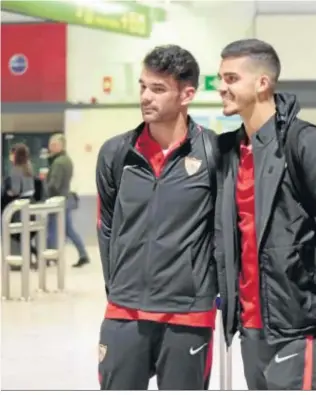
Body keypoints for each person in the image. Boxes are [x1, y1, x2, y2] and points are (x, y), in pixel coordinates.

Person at [214, 39, 316, 390]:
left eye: (231, 79)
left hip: (295, 323)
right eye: (220, 78)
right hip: (249, 324)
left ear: (262, 83)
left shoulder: (305, 143)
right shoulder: (231, 151)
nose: (221, 88)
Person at [95, 45, 218, 390]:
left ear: (187, 94)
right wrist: (119, 284)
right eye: (143, 86)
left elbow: (221, 233)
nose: (146, 97)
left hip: (189, 315)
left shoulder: (213, 155)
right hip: (124, 311)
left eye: (158, 89)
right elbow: (106, 228)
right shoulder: (116, 154)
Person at [46, 133, 90, 268]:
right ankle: (83, 254)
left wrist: (46, 191)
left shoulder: (58, 162)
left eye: (53, 145)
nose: (50, 147)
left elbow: (54, 184)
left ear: (60, 145)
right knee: (68, 229)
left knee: (52, 229)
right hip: (66, 199)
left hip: (58, 200)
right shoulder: (66, 160)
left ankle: (50, 257)